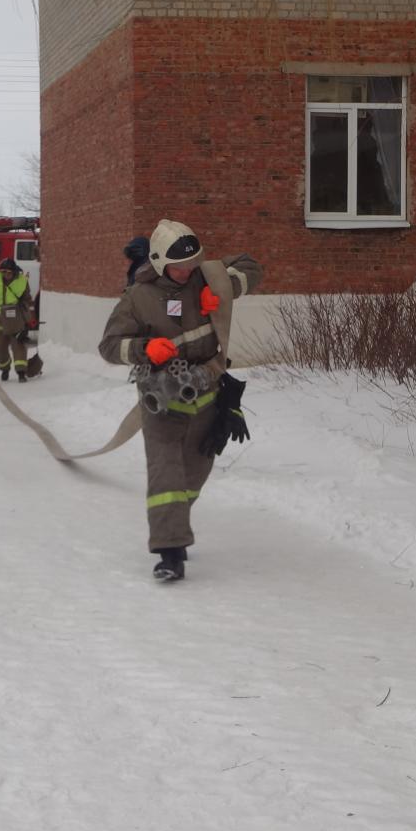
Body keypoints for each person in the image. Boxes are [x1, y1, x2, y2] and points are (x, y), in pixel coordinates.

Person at [98, 219, 262, 582]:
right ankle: (170, 553)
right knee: (166, 476)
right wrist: (144, 348)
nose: (188, 271)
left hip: (207, 396)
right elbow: (109, 347)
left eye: (192, 263)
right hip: (162, 402)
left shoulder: (204, 277)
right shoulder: (137, 298)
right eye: (180, 266)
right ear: (159, 262)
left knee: (193, 477)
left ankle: (176, 521)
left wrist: (225, 286)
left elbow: (252, 266)